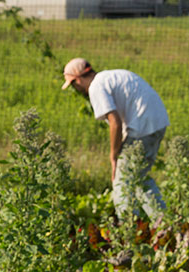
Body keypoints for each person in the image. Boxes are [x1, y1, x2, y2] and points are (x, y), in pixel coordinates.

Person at [61, 57, 169, 220]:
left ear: (79, 79)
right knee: (139, 179)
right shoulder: (110, 77)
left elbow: (115, 123)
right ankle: (165, 223)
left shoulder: (96, 86)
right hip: (157, 123)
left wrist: (114, 156)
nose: (76, 88)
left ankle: (128, 231)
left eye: (73, 84)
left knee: (121, 182)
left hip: (142, 127)